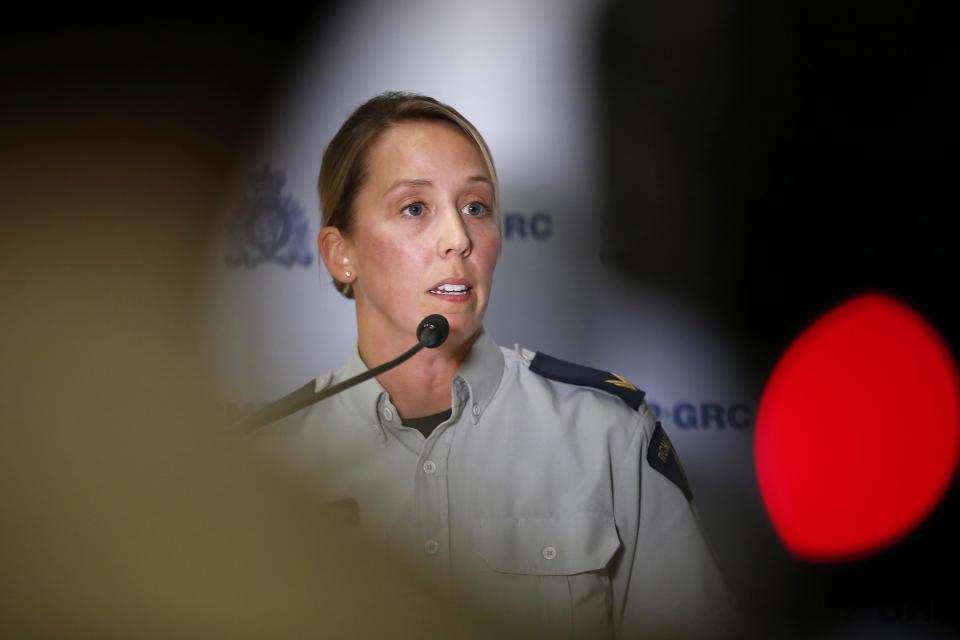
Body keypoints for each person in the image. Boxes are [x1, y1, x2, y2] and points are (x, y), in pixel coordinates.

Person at [253, 92, 738, 639]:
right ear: (341, 254)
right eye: (415, 209)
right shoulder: (264, 461)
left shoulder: (609, 434)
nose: (458, 239)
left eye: (475, 208)